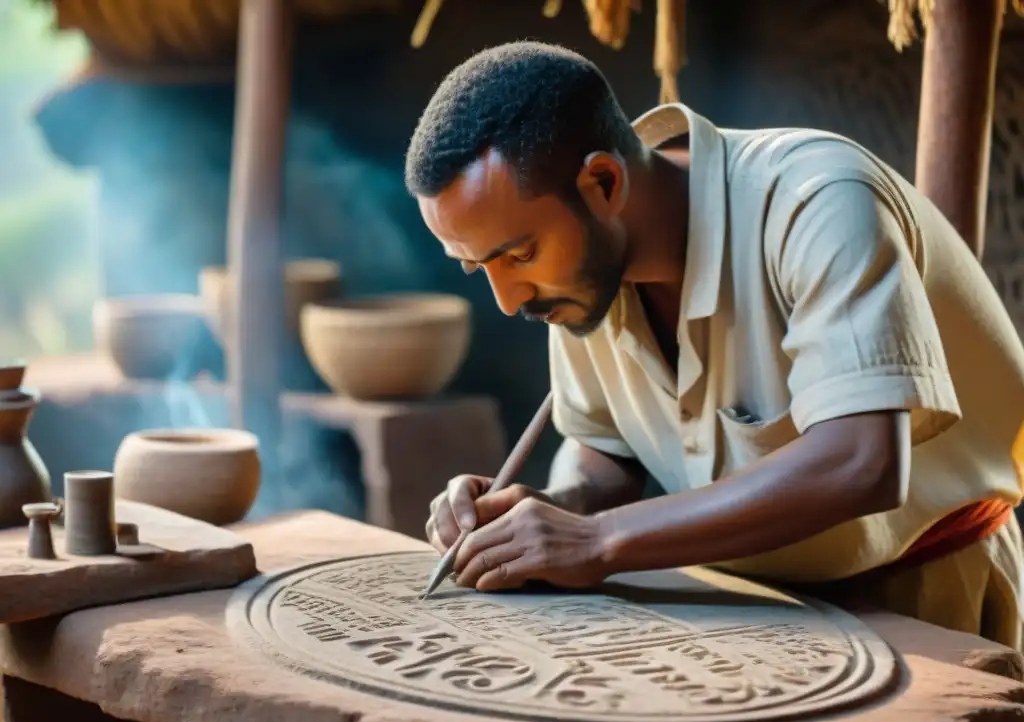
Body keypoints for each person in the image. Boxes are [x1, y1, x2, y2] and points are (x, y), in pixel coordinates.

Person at [403, 41, 1024, 647]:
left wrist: (597, 541)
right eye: (477, 266)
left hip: (920, 597)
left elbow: (861, 461)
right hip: (739, 612)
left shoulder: (818, 201)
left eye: (518, 255)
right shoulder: (582, 273)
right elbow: (604, 453)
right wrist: (542, 517)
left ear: (605, 183)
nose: (507, 299)